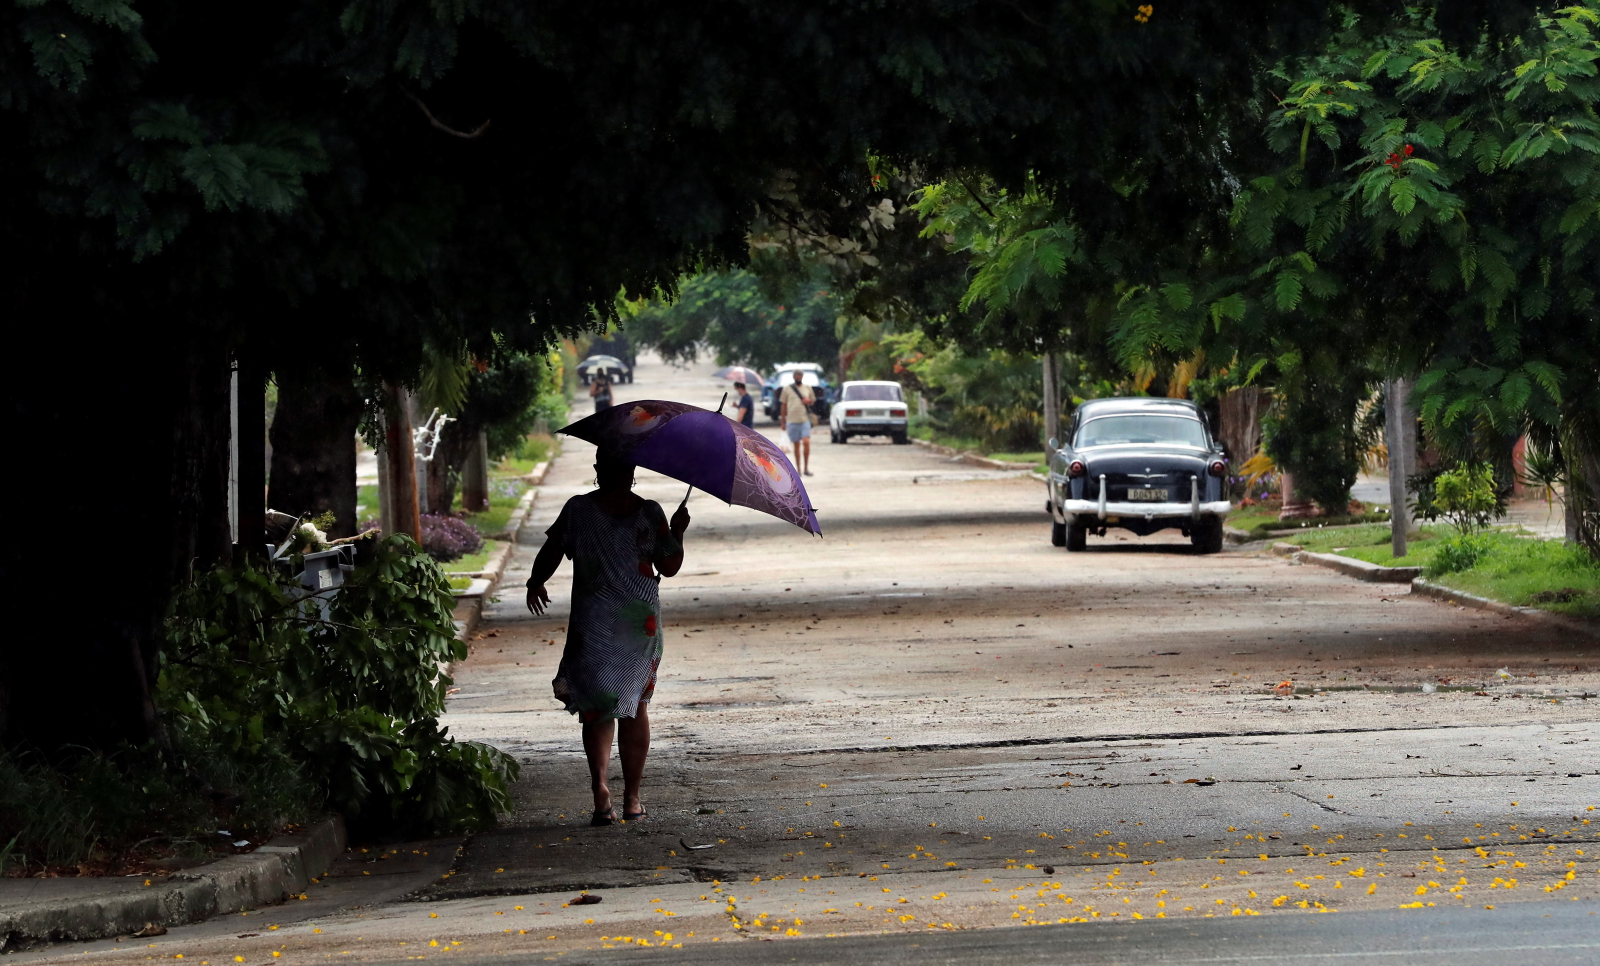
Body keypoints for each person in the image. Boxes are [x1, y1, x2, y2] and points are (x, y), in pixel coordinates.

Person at [525, 454, 690, 825]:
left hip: (593, 621)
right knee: (635, 705)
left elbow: (552, 550)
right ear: (632, 473)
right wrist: (678, 529)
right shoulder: (650, 512)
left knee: (597, 707)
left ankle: (601, 789)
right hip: (638, 623)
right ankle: (632, 800)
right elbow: (670, 565)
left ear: (599, 470)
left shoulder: (579, 510)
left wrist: (535, 582)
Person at [779, 369, 815, 476]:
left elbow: (813, 400)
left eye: (800, 376)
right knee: (796, 445)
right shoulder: (787, 389)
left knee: (806, 442)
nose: (798, 377)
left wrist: (808, 401)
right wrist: (783, 421)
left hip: (805, 419)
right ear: (794, 377)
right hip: (792, 420)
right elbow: (784, 405)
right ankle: (798, 469)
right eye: (797, 376)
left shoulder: (807, 387)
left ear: (802, 377)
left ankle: (806, 468)